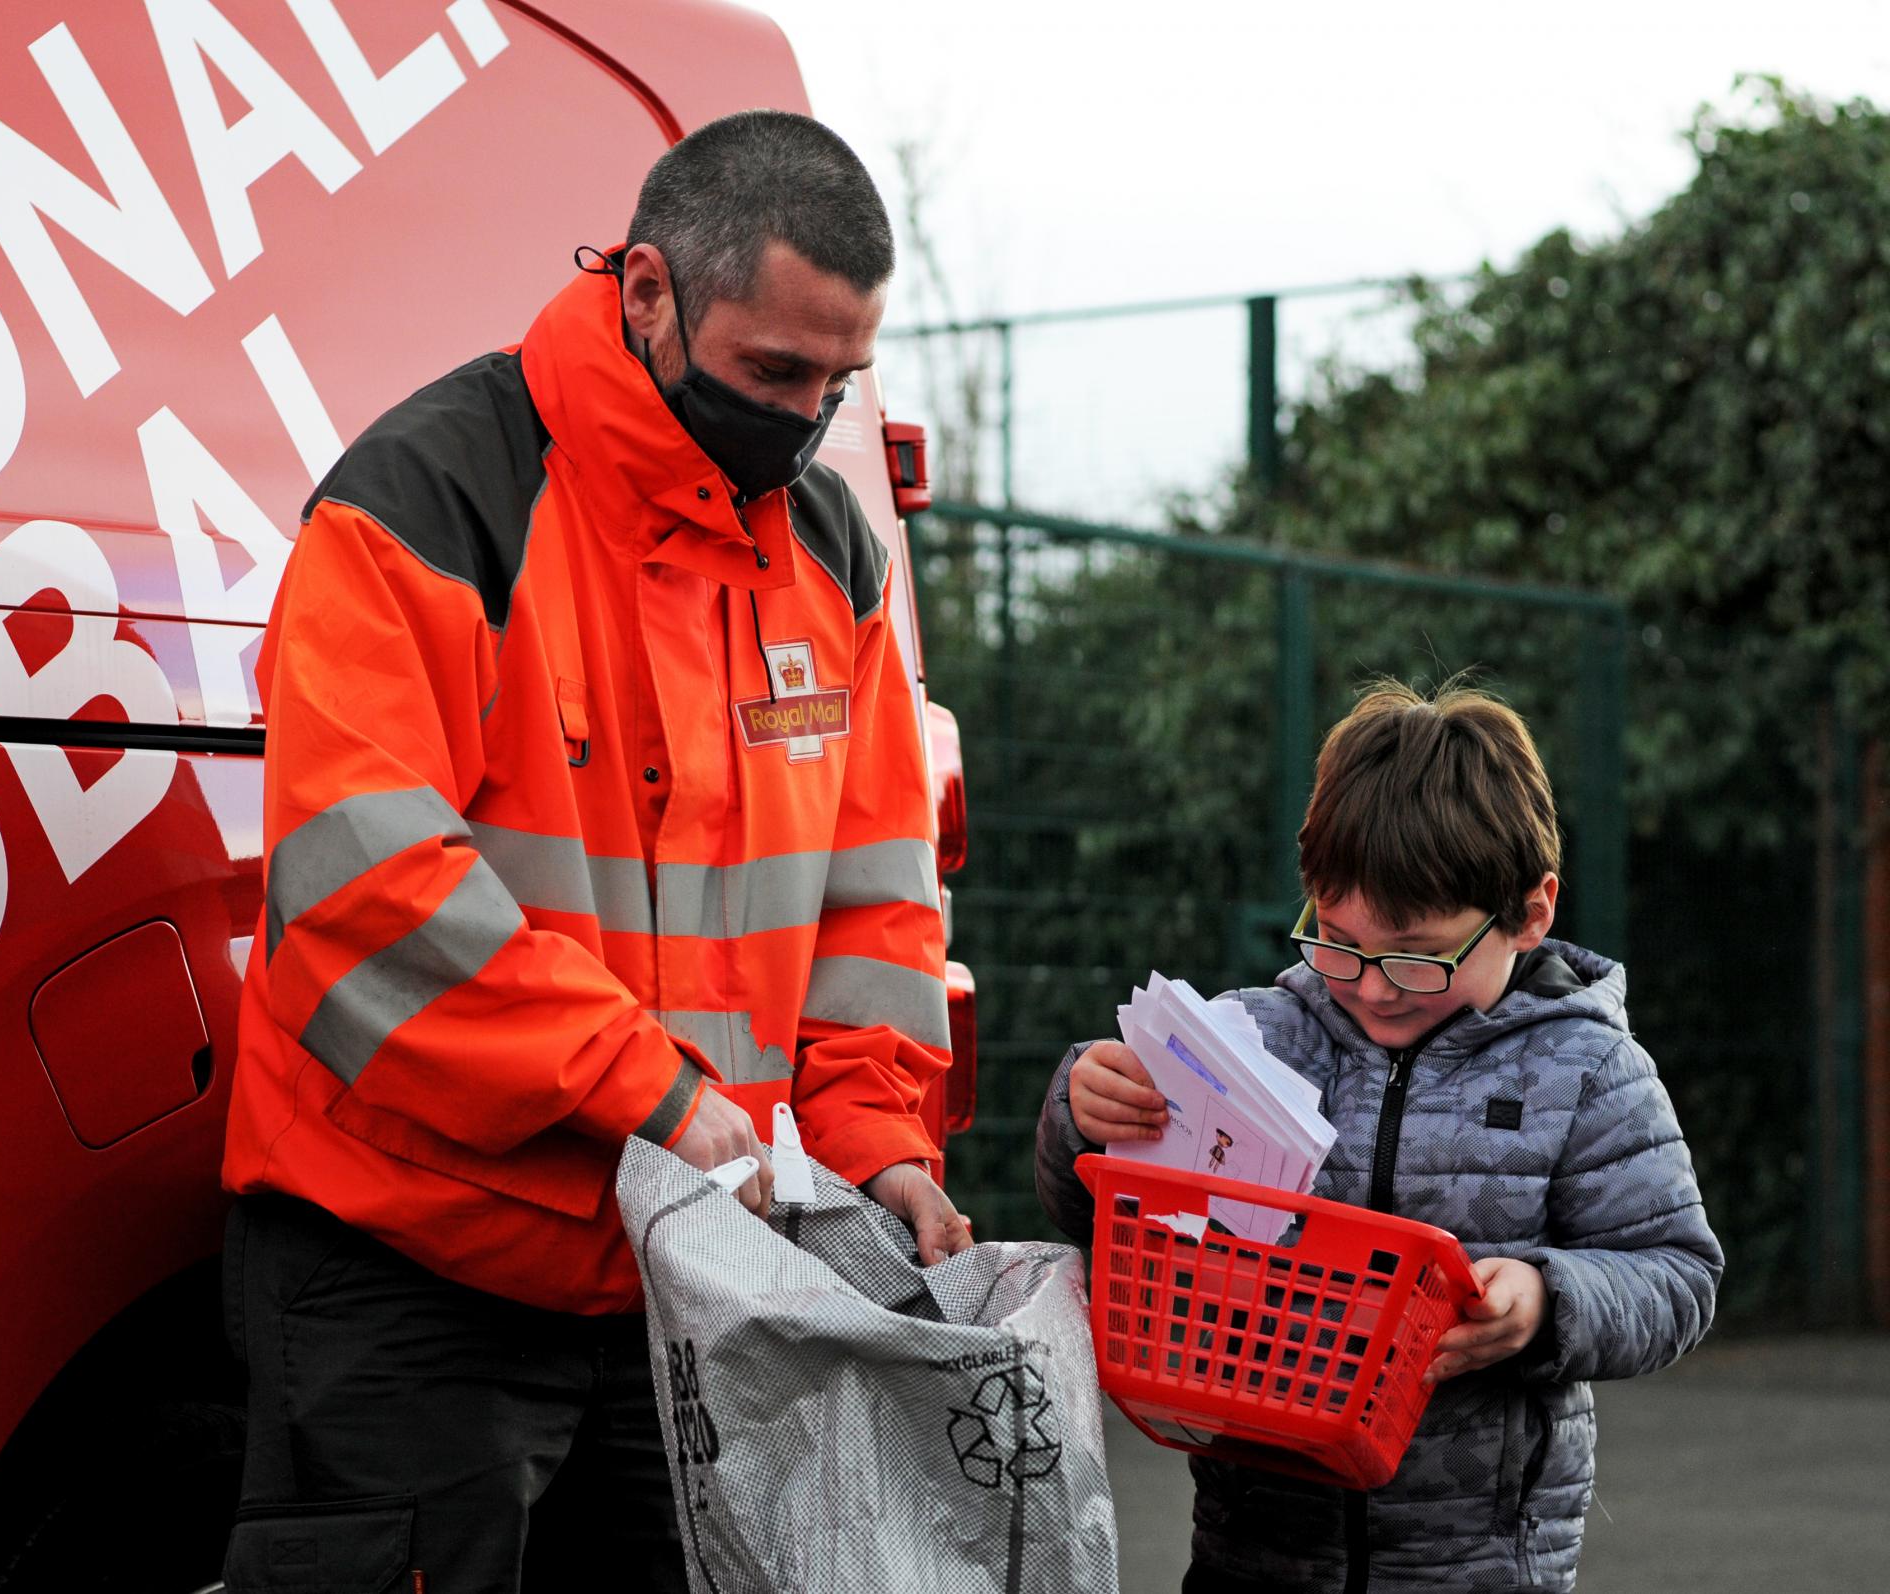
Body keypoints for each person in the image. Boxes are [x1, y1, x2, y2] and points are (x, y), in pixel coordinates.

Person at [221, 110, 967, 1593]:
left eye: (840, 379)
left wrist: (879, 1141)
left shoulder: (833, 552)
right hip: (412, 1267)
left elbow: (877, 905)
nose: (809, 417)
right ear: (646, 291)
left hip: (686, 1278)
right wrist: (662, 1100)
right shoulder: (431, 497)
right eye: (774, 372)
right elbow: (365, 885)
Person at [1036, 681, 1723, 1593]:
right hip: (1254, 1547)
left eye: (1415, 953)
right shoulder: (1254, 1037)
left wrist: (1547, 1299)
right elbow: (1102, 1210)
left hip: (1476, 1566)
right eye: (1337, 938)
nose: (1372, 985)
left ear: (1530, 912)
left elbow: (1678, 1273)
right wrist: (1080, 1115)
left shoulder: (1586, 1070)